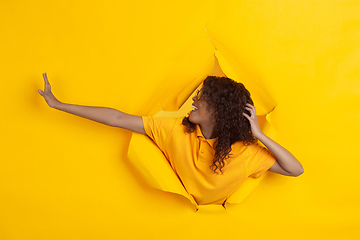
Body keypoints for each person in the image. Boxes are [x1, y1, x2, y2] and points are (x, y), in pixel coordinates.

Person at [38, 59, 303, 205]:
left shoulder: (246, 153)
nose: (196, 100)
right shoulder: (173, 130)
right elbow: (116, 117)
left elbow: (295, 169)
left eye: (203, 98)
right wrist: (60, 105)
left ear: (219, 111)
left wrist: (259, 134)